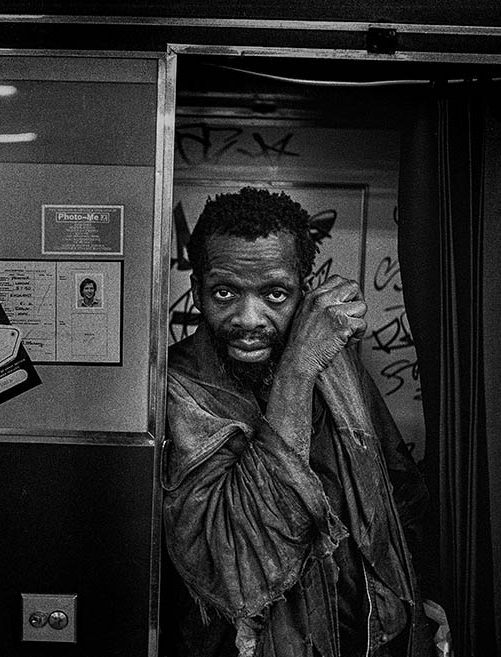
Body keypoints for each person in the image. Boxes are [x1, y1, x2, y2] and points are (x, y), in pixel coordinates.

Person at [162, 187, 432, 657]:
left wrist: (430, 597)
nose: (249, 318)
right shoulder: (174, 392)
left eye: (275, 294)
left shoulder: (335, 363)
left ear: (303, 291)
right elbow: (243, 571)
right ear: (198, 291)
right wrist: (298, 368)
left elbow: (398, 488)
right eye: (225, 292)